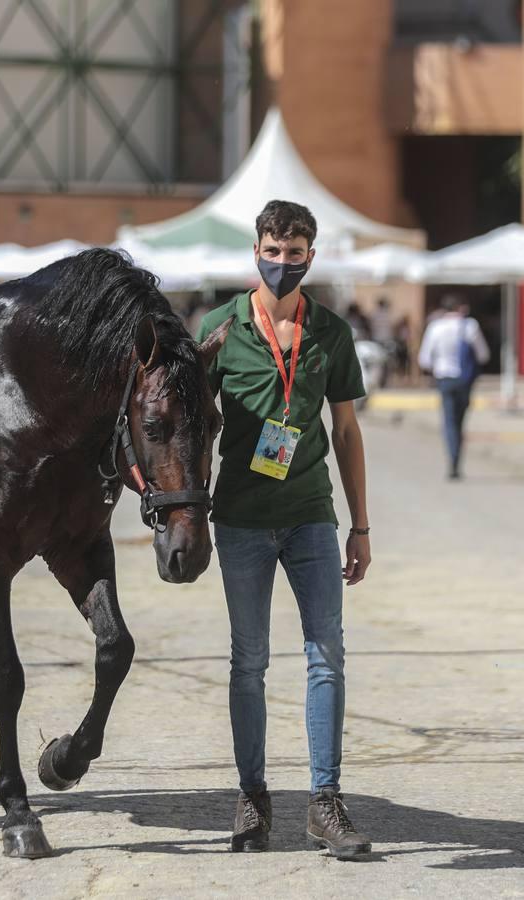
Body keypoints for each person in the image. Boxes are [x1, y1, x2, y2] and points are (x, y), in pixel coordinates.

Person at [197, 199, 373, 859]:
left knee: (325, 655)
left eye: (293, 254)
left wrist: (360, 526)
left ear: (309, 257)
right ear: (256, 252)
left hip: (309, 518)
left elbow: (348, 432)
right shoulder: (218, 328)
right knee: (249, 663)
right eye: (271, 252)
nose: (280, 264)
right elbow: (184, 417)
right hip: (239, 519)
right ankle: (252, 798)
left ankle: (324, 803)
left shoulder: (330, 332)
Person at [418, 296, 490, 480]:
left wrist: (437, 367)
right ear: (460, 308)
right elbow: (483, 355)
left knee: (449, 421)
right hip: (465, 379)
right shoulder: (470, 326)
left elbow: (424, 359)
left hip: (444, 378)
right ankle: (457, 458)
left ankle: (453, 460)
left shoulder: (436, 327)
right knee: (459, 421)